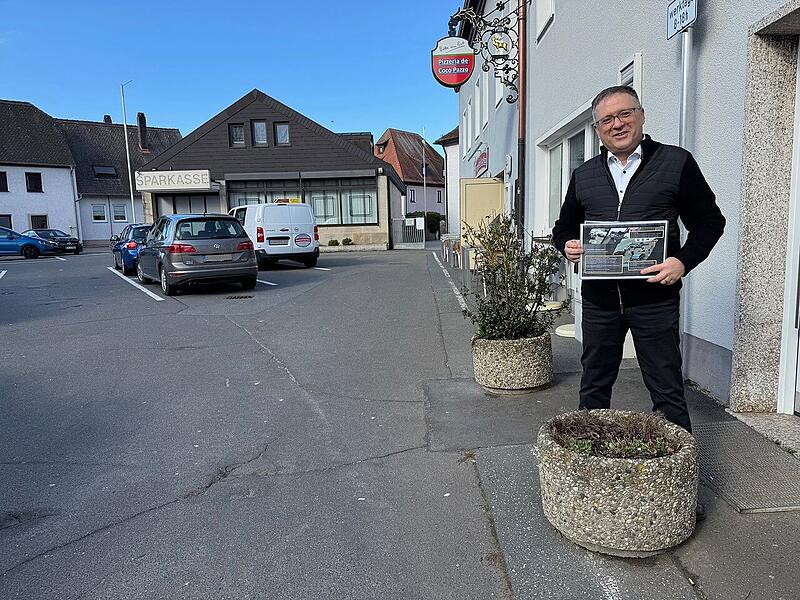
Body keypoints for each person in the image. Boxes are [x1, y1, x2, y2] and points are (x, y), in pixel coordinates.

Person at [552, 85, 725, 435]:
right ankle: (587, 466)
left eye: (624, 114)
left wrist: (682, 261)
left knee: (667, 389)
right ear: (598, 129)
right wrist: (567, 244)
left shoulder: (676, 162)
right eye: (607, 119)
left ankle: (676, 477)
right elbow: (564, 226)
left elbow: (710, 222)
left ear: (641, 115)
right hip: (600, 301)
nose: (617, 124)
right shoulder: (584, 174)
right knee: (594, 387)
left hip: (654, 299)